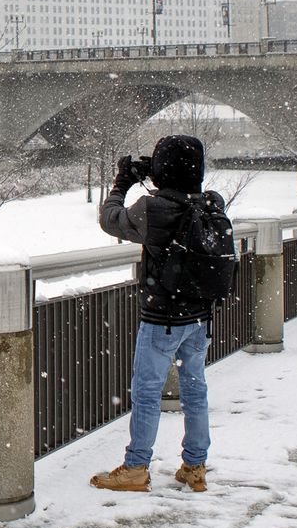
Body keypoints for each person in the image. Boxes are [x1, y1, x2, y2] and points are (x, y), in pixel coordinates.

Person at [90, 133, 220, 493]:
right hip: (199, 316)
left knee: (147, 392)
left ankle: (136, 468)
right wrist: (161, 175)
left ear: (164, 169)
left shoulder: (153, 209)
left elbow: (110, 219)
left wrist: (123, 182)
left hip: (163, 318)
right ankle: (195, 466)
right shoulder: (211, 203)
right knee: (195, 389)